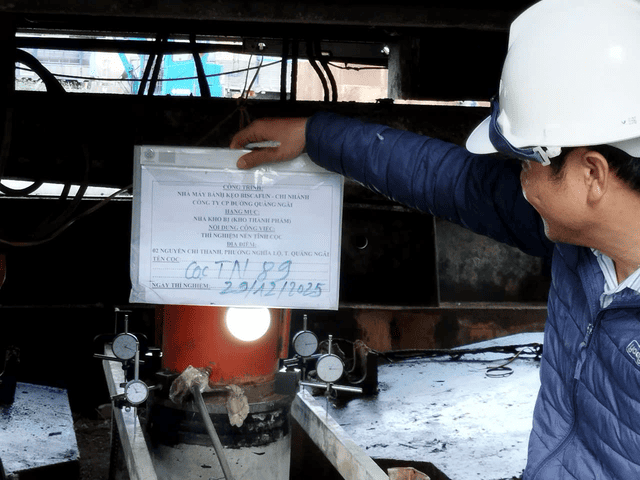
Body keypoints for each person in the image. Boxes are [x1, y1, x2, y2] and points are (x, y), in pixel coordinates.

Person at [230, 0, 640, 478]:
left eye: (526, 161)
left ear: (592, 174)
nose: (520, 180)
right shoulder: (581, 241)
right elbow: (447, 180)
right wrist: (317, 134)